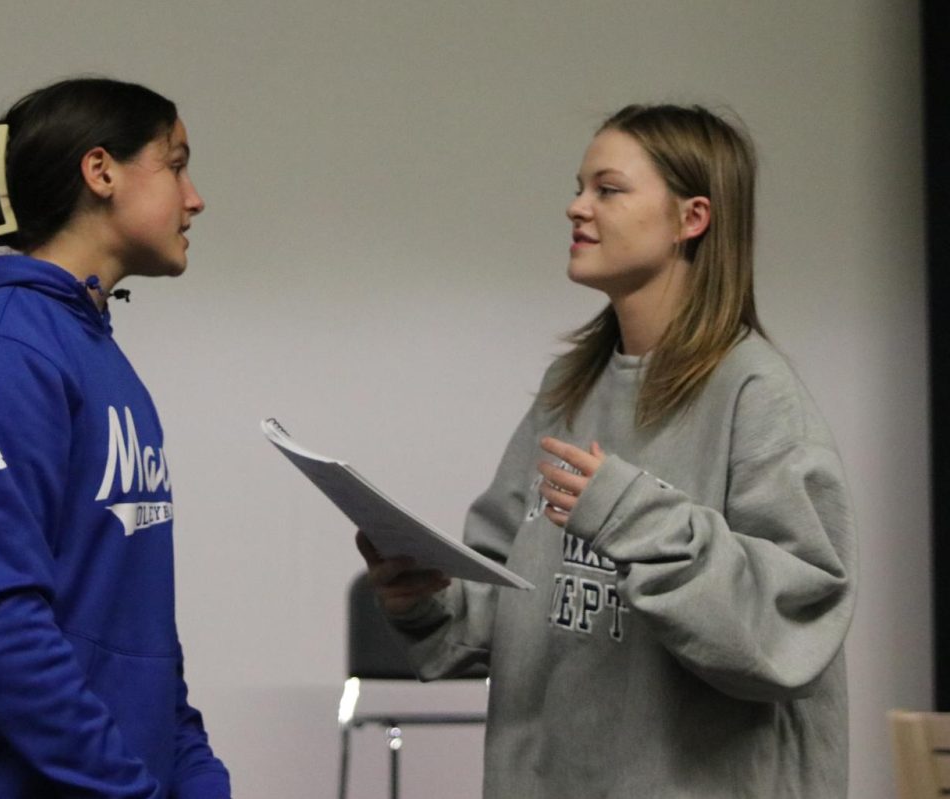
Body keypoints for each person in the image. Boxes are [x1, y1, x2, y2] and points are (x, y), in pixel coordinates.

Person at [358, 104, 857, 797]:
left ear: (693, 219)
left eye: (608, 189)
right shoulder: (570, 389)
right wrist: (427, 601)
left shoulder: (757, 393)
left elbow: (788, 629)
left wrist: (630, 514)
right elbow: (515, 599)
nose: (576, 207)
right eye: (578, 186)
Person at [0, 77, 231, 799]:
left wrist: (192, 769)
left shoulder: (93, 354)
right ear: (101, 172)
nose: (195, 198)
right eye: (177, 163)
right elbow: (3, 630)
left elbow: (133, 618)